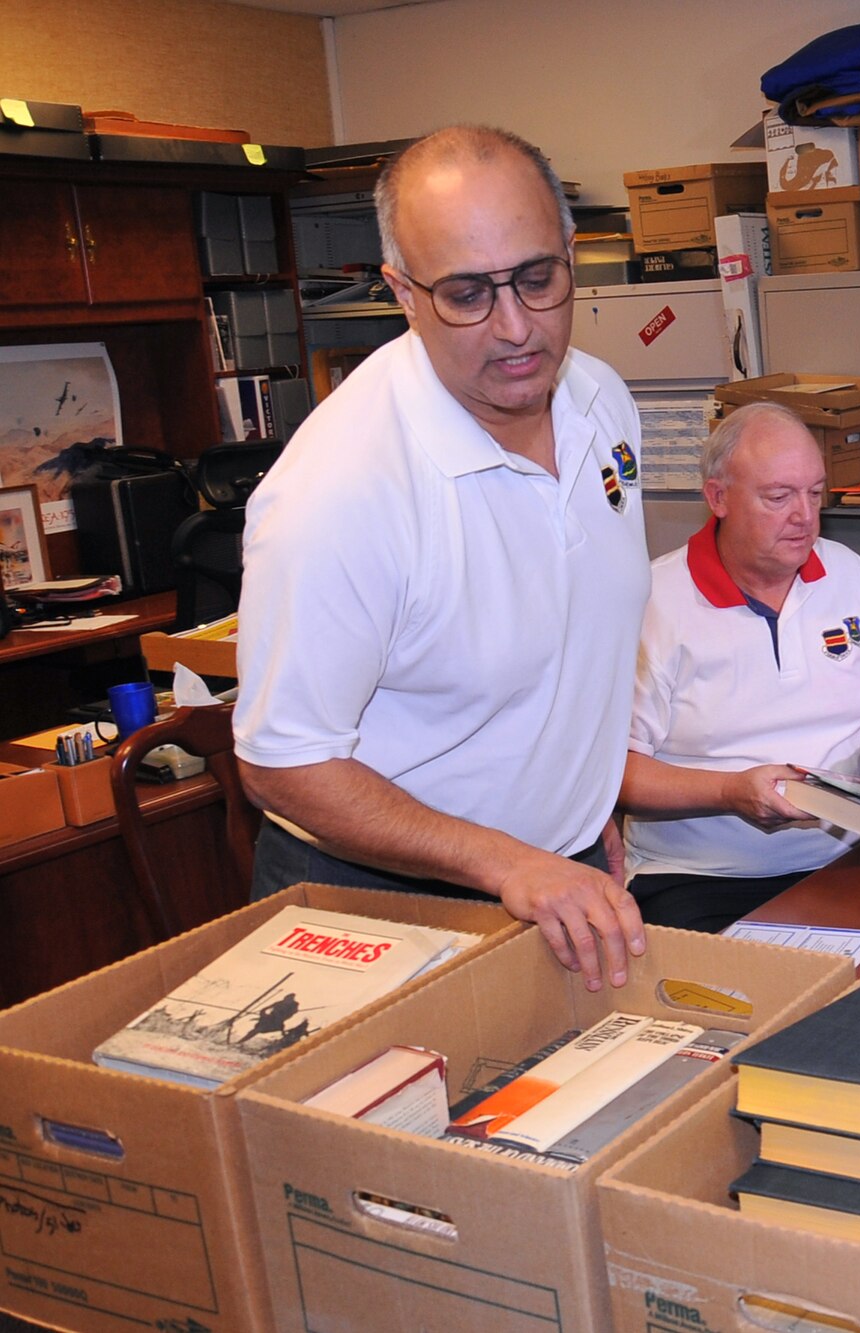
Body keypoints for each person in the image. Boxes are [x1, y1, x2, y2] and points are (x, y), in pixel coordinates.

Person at [233, 125, 651, 992]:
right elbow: (282, 761)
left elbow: (573, 630)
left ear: (574, 255)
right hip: (380, 902)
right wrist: (510, 860)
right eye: (466, 293)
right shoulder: (340, 491)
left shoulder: (600, 399)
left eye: (539, 279)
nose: (516, 329)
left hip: (559, 878)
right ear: (401, 291)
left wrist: (583, 803)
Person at [619, 402, 860, 932]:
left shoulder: (847, 573)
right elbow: (616, 773)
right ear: (718, 497)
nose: (805, 516)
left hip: (850, 858)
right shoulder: (655, 603)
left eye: (815, 493)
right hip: (703, 877)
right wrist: (729, 792)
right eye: (778, 497)